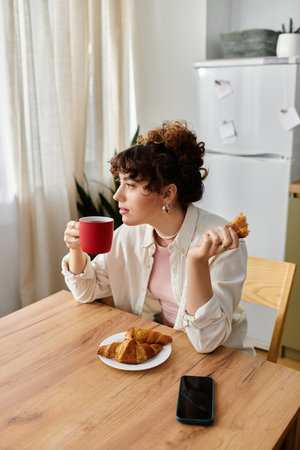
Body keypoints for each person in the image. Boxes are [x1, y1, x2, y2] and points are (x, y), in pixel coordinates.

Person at [62, 120, 254, 354]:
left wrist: (196, 262)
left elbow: (207, 342)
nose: (117, 195)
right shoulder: (130, 234)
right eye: (119, 183)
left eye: (130, 185)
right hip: (171, 350)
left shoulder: (220, 242)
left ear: (167, 193)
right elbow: (86, 291)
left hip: (225, 361)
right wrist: (75, 249)